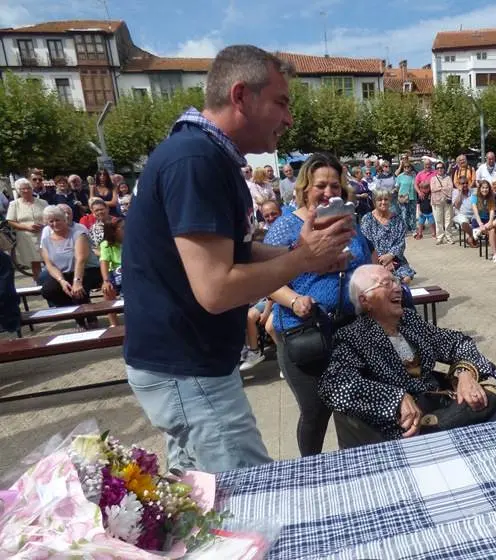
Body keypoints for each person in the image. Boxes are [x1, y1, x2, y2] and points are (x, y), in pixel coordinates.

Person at [123, 46, 354, 472]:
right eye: (281, 103)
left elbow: (237, 251)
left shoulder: (204, 155)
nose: (289, 118)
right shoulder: (196, 160)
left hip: (187, 366)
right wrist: (302, 259)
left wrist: (299, 255)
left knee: (200, 499)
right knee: (250, 500)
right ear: (241, 96)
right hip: (188, 368)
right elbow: (215, 289)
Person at [319, 264, 496, 441]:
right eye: (386, 284)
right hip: (405, 425)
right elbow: (334, 385)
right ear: (365, 300)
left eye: (395, 280)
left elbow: (457, 342)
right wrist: (395, 398)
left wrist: (465, 374)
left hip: (440, 402)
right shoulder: (353, 336)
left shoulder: (409, 321)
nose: (397, 287)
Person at [265, 152, 371, 456]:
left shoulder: (350, 221)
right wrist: (295, 299)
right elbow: (269, 281)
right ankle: (310, 470)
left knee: (354, 405)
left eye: (334, 186)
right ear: (304, 189)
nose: (328, 192)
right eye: (320, 185)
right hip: (307, 333)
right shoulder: (286, 227)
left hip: (351, 331)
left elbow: (365, 259)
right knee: (316, 413)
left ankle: (351, 464)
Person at [39, 205, 102, 324]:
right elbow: (50, 264)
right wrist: (61, 281)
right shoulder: (46, 240)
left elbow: (80, 259)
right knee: (48, 290)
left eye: (57, 220)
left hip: (87, 269)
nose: (54, 223)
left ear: (64, 220)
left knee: (77, 291)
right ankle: (80, 312)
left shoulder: (78, 234)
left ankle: (86, 318)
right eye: (51, 221)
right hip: (64, 272)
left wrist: (77, 281)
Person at [361, 188, 417, 284]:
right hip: (373, 260)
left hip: (395, 259)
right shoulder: (367, 219)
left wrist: (390, 256)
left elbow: (400, 243)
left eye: (386, 199)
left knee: (406, 279)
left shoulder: (398, 219)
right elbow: (366, 244)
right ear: (374, 202)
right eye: (380, 200)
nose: (383, 202)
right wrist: (381, 262)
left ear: (390, 201)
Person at [6, 178, 48, 282]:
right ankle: (40, 284)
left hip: (44, 235)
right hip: (27, 238)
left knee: (50, 260)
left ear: (32, 188)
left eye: (28, 188)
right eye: (22, 189)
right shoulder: (14, 204)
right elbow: (10, 221)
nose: (25, 190)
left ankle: (55, 282)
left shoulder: (42, 202)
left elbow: (50, 216)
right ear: (18, 191)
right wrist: (27, 227)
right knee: (35, 262)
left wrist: (43, 224)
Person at [471, 179, 496, 263]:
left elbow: (491, 210)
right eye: (483, 188)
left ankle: (478, 231)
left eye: (486, 188)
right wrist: (480, 224)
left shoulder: (491, 197)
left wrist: (490, 222)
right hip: (478, 221)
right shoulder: (474, 196)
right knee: (492, 230)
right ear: (480, 188)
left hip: (488, 221)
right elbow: (475, 212)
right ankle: (495, 255)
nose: (484, 190)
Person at [99, 220, 124, 327]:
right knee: (107, 289)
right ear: (113, 232)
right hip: (114, 272)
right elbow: (104, 262)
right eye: (123, 228)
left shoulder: (132, 240)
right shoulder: (106, 245)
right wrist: (106, 281)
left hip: (129, 270)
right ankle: (114, 324)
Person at [429, 161, 454, 244]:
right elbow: (433, 189)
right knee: (438, 220)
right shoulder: (433, 178)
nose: (440, 169)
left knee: (448, 220)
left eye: (441, 167)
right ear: (436, 169)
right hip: (436, 201)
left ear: (444, 169)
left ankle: (448, 237)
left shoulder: (448, 178)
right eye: (438, 168)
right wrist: (444, 188)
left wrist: (439, 188)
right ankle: (439, 237)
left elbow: (450, 188)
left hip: (447, 201)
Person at [395, 159, 417, 231]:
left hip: (412, 197)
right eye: (405, 167)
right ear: (403, 168)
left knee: (413, 214)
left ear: (411, 167)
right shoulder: (400, 176)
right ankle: (405, 229)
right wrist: (401, 195)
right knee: (404, 215)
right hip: (403, 198)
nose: (407, 168)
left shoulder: (414, 176)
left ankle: (413, 228)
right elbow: (397, 187)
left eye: (408, 167)